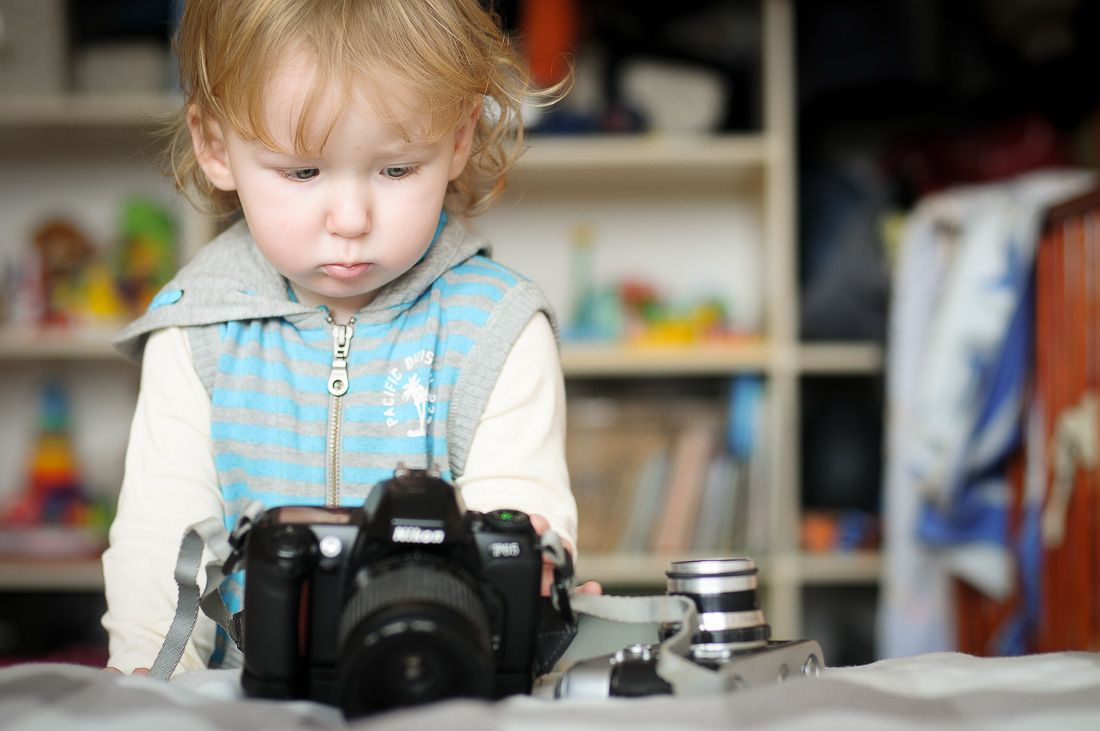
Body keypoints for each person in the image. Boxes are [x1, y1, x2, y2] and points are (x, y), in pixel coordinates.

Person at [102, 0, 595, 676]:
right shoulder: (195, 332)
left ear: (459, 139)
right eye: (302, 172)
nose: (351, 218)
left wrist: (535, 578)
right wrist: (150, 688)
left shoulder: (496, 328)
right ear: (215, 148)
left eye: (396, 169)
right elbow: (163, 546)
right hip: (242, 700)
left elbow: (513, 527)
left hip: (440, 687)